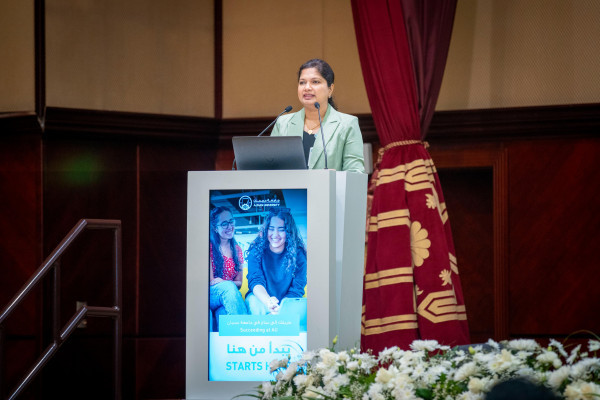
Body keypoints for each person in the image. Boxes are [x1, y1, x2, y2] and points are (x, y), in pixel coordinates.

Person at [270, 58, 365, 173]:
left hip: (329, 190)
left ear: (330, 89)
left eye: (315, 82)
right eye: (302, 82)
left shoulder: (347, 124)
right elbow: (271, 168)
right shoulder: (283, 123)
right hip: (288, 191)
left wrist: (333, 178)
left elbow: (355, 172)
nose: (307, 87)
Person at [245, 207, 307, 317]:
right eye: (271, 228)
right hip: (261, 300)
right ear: (266, 230)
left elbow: (297, 289)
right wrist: (269, 302)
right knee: (254, 302)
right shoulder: (256, 252)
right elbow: (255, 281)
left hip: (287, 302)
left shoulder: (299, 255)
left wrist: (281, 309)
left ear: (289, 231)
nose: (275, 234)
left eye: (281, 229)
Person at [209, 206, 247, 329]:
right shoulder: (208, 247)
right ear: (215, 227)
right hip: (211, 295)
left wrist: (224, 282)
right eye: (224, 224)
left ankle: (235, 345)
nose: (230, 226)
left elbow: (239, 283)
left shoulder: (237, 250)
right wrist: (228, 284)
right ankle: (247, 333)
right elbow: (211, 282)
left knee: (224, 314)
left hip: (228, 296)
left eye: (231, 221)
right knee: (229, 288)